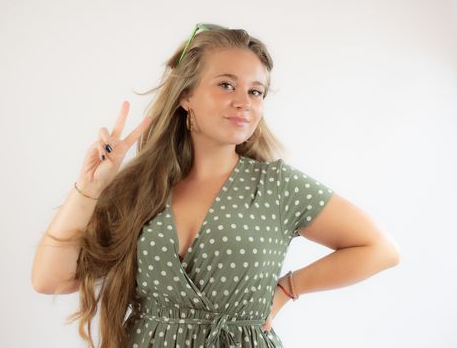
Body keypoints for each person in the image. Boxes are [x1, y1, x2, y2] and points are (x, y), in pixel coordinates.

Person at [31, 23, 401, 348]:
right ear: (185, 96)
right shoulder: (139, 189)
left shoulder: (278, 187)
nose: (244, 102)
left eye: (256, 92)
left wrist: (289, 288)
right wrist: (90, 187)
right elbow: (50, 279)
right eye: (226, 85)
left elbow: (379, 249)